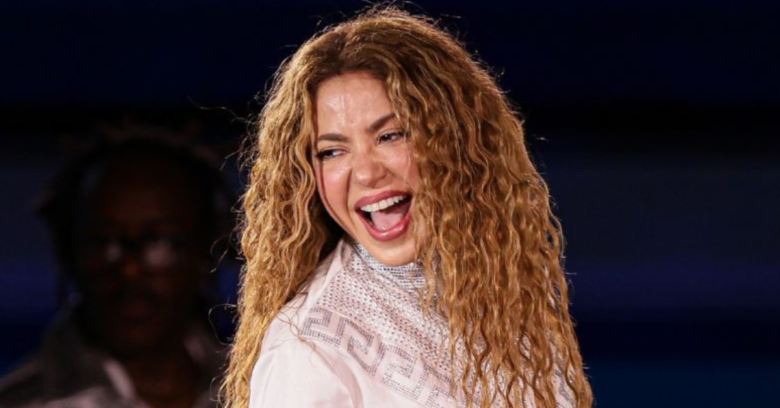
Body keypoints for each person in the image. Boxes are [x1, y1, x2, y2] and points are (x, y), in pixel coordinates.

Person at [223, 7, 593, 408]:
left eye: (391, 135)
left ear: (456, 141)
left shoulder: (504, 280)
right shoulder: (307, 353)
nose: (366, 172)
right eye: (331, 151)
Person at [0, 134, 235, 408]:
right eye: (102, 242)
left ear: (207, 252)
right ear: (69, 252)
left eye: (159, 242)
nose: (129, 269)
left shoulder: (261, 385)